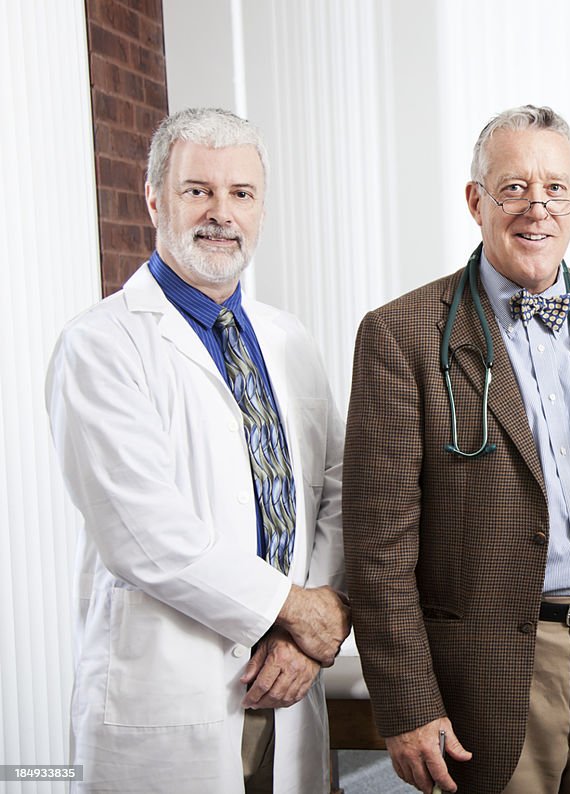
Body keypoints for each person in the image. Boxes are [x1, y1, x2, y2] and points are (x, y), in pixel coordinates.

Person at [342, 105, 570, 794]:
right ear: (476, 201)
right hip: (487, 673)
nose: (537, 207)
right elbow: (378, 548)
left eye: (556, 188)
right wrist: (409, 703)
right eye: (513, 188)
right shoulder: (401, 335)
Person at [46, 108, 349, 793]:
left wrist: (311, 625)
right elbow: (143, 534)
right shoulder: (99, 345)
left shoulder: (288, 340)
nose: (221, 213)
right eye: (197, 190)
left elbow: (337, 486)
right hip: (172, 694)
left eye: (240, 193)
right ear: (156, 198)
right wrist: (298, 610)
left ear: (261, 208)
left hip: (287, 684)